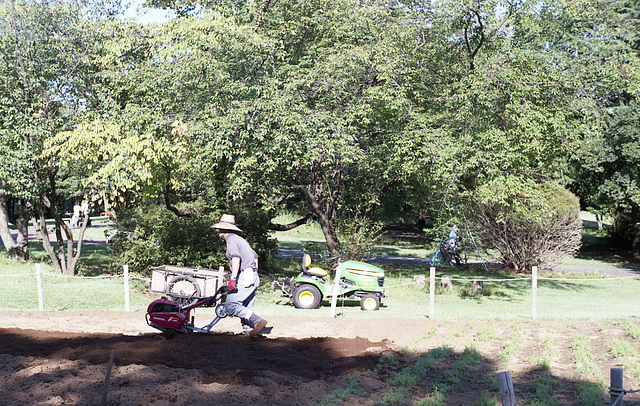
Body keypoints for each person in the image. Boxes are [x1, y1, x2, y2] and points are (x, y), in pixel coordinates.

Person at [212, 214, 268, 338]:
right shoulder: (240, 239)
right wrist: (253, 274)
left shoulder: (231, 239)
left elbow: (235, 259)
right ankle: (249, 332)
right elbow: (255, 256)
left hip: (246, 274)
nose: (219, 232)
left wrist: (233, 278)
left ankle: (258, 321)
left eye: (220, 230)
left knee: (231, 305)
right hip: (252, 275)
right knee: (246, 306)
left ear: (224, 229)